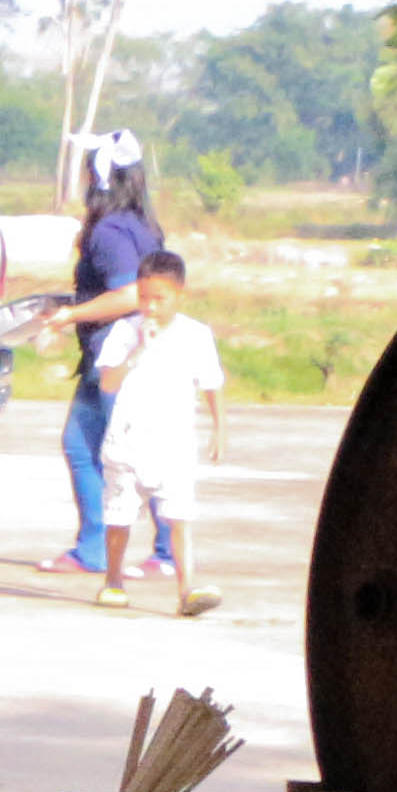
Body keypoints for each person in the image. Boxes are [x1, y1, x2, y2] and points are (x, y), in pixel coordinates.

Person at [40, 133, 170, 579]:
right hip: (128, 352)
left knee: (129, 454)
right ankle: (95, 547)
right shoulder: (142, 225)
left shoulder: (110, 230)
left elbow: (131, 292)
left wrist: (72, 313)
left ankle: (162, 552)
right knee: (84, 446)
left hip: (117, 356)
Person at [91, 251, 227, 614]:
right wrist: (137, 348)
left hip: (174, 443)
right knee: (119, 516)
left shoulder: (196, 335)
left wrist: (219, 428)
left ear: (180, 296)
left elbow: (211, 384)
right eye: (144, 298)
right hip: (128, 440)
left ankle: (187, 591)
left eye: (160, 299)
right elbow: (108, 382)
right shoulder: (124, 332)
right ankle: (113, 580)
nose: (150, 307)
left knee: (179, 517)